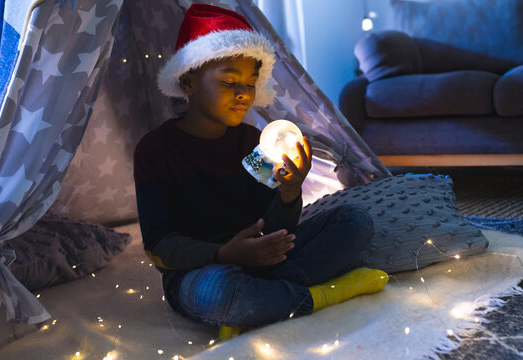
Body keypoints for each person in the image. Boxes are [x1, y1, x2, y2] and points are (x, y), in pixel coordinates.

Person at [134, 4, 388, 341]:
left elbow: (277, 228)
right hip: (199, 270)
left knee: (356, 222)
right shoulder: (156, 150)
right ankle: (324, 294)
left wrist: (289, 192)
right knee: (221, 293)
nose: (243, 93)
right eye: (229, 81)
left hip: (263, 259)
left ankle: (259, 302)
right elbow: (160, 247)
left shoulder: (255, 145)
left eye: (251, 83)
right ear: (188, 81)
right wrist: (225, 253)